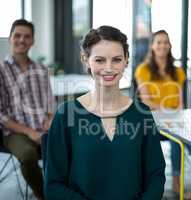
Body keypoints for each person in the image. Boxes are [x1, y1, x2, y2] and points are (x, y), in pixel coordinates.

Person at [44, 25, 166, 200]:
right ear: (85, 59)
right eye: (100, 60)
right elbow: (53, 186)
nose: (108, 68)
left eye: (116, 59)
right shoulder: (66, 115)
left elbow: (156, 176)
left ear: (126, 61)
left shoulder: (142, 114)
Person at [135, 30, 191, 195]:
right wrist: (168, 112)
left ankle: (178, 181)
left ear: (170, 45)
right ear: (152, 46)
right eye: (158, 42)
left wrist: (176, 113)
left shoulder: (178, 71)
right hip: (152, 121)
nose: (162, 45)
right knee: (179, 135)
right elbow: (146, 101)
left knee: (179, 134)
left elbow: (180, 101)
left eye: (165, 42)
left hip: (174, 120)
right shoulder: (143, 70)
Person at [0, 19, 55, 200]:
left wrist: (49, 120)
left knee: (71, 146)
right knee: (28, 155)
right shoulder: (1, 70)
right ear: (10, 38)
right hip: (14, 132)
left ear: (32, 41)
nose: (21, 40)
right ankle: (45, 196)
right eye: (17, 35)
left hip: (42, 128)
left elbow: (49, 104)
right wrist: (30, 132)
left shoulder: (41, 69)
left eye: (27, 36)